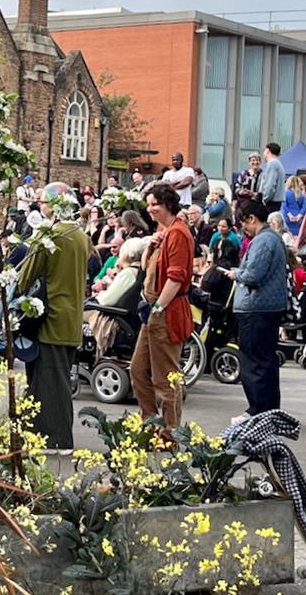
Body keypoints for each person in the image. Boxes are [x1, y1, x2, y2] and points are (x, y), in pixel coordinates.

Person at [17, 183, 92, 449]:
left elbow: (24, 277)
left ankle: (54, 439)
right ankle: (48, 436)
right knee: (58, 380)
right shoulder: (81, 236)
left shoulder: (49, 234)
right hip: (72, 319)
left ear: (54, 205)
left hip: (50, 319)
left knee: (47, 383)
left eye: (44, 201)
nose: (41, 206)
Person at [130, 183, 195, 432]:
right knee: (138, 370)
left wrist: (158, 307)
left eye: (154, 204)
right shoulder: (167, 232)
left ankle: (169, 433)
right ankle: (151, 425)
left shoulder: (178, 233)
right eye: (148, 205)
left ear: (167, 204)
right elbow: (146, 267)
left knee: (166, 378)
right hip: (155, 312)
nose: (150, 209)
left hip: (166, 312)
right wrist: (150, 245)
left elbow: (176, 277)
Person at [225, 201, 289, 420]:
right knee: (266, 361)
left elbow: (253, 275)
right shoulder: (272, 238)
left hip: (256, 308)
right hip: (267, 307)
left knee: (254, 362)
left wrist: (236, 274)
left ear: (252, 218)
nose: (243, 227)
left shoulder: (263, 241)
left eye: (243, 221)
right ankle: (269, 409)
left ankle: (258, 410)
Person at [259, 142, 285, 216]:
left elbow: (270, 184)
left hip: (271, 202)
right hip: (276, 201)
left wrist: (264, 199)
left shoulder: (272, 164)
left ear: (268, 150)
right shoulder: (278, 164)